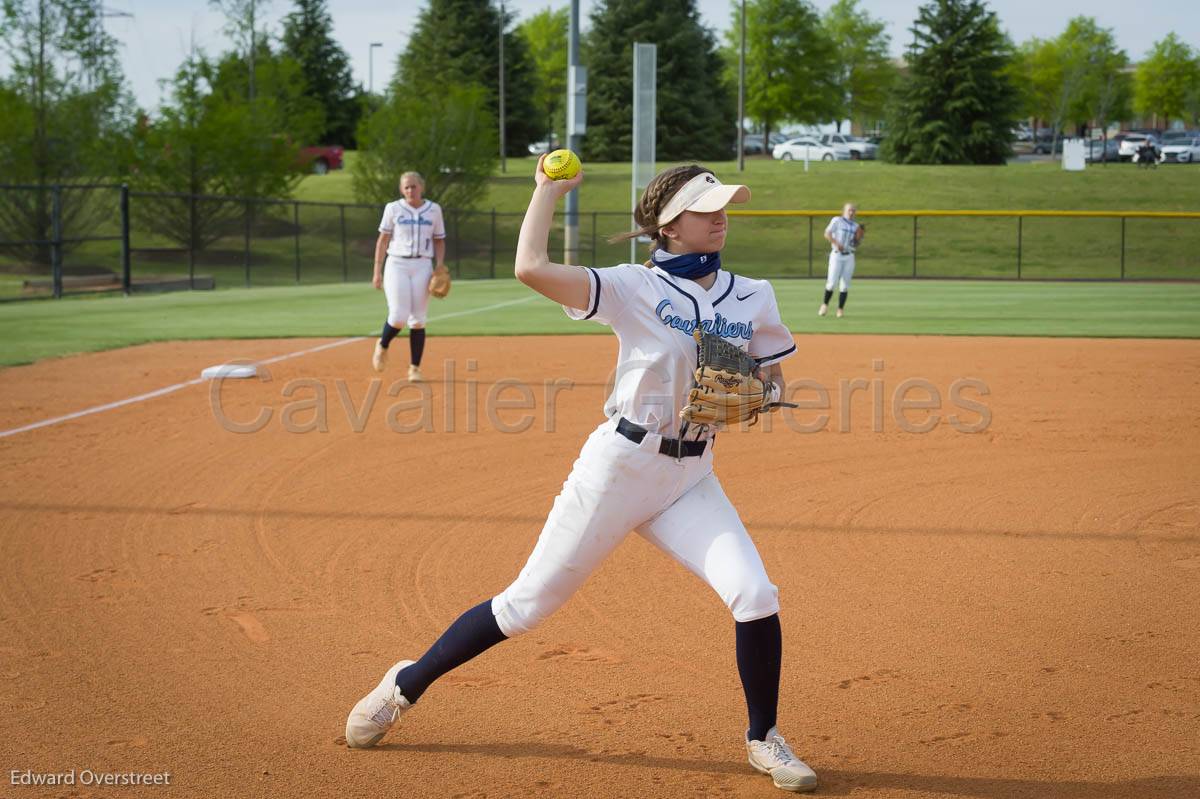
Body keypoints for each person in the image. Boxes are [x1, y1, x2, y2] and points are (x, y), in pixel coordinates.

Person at [344, 159, 817, 793]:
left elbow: (775, 376)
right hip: (620, 468)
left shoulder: (751, 293)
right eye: (707, 207)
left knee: (755, 594)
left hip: (692, 477)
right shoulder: (631, 286)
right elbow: (531, 268)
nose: (721, 214)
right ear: (672, 226)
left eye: (724, 204)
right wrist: (546, 191)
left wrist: (758, 391)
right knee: (526, 605)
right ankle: (404, 686)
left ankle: (764, 738)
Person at [371, 171, 449, 381]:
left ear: (421, 187)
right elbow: (383, 240)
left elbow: (439, 240)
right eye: (406, 187)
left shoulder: (433, 210)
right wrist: (377, 271)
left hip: (423, 264)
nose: (410, 190)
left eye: (413, 186)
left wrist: (439, 265)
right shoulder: (394, 208)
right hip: (397, 263)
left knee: (418, 320)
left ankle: (414, 368)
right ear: (401, 190)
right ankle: (383, 344)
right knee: (398, 316)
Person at [819, 203, 864, 319]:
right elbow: (827, 233)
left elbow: (856, 244)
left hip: (849, 256)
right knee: (832, 282)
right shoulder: (837, 221)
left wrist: (859, 238)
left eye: (853, 210)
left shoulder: (856, 226)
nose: (851, 212)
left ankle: (840, 310)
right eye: (849, 210)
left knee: (844, 285)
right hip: (836, 255)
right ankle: (824, 305)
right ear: (844, 211)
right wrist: (836, 243)